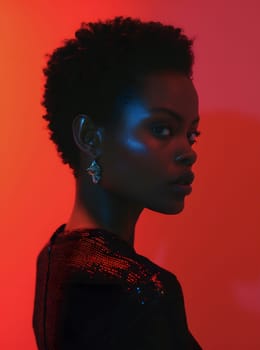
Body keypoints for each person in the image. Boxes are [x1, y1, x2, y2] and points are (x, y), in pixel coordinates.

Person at [32, 16, 202, 349]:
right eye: (162, 129)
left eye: (192, 134)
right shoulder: (140, 288)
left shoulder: (53, 255)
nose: (188, 152)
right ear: (90, 137)